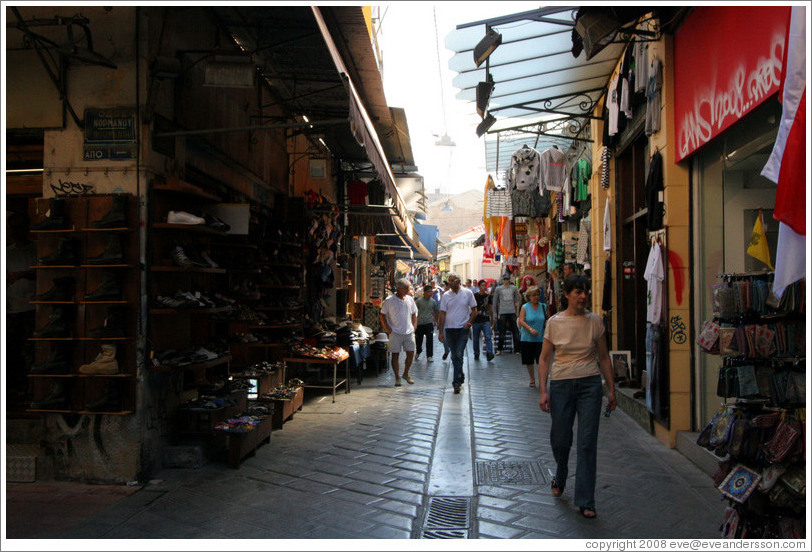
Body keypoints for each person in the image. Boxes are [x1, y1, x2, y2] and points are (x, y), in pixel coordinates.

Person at [537, 275, 616, 519]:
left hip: (590, 385)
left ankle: (586, 500)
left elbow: (603, 357)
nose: (582, 296)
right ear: (567, 295)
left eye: (585, 292)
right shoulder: (554, 322)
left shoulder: (595, 322)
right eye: (577, 292)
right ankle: (561, 473)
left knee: (587, 442)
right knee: (561, 439)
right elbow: (545, 358)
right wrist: (543, 390)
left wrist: (611, 389)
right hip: (561, 385)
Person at [6, 212, 37, 397]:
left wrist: (23, 274)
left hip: (33, 308)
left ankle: (32, 390)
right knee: (13, 351)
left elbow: (45, 274)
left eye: (18, 227)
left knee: (31, 351)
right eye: (12, 227)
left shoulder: (37, 249)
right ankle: (17, 390)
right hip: (12, 309)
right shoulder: (7, 252)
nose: (15, 231)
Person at [437, 273, 477, 394]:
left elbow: (475, 310)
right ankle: (460, 374)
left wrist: (469, 324)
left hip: (462, 330)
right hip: (450, 330)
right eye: (448, 280)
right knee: (455, 355)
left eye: (452, 280)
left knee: (458, 354)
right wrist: (440, 331)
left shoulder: (468, 293)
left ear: (458, 281)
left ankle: (456, 383)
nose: (449, 283)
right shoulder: (446, 296)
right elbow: (442, 313)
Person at [380, 278, 418, 386]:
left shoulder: (410, 299)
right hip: (395, 332)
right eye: (406, 288)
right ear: (399, 289)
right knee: (395, 354)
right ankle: (397, 377)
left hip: (408, 331)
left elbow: (414, 313)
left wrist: (414, 326)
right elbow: (382, 315)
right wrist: (388, 329)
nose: (408, 290)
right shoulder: (389, 300)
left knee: (410, 353)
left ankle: (406, 373)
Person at [517, 285, 546, 387]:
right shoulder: (525, 307)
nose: (536, 297)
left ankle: (541, 380)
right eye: (534, 295)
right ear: (529, 297)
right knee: (529, 361)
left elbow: (547, 320)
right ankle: (532, 378)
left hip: (540, 338)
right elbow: (521, 321)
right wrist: (530, 329)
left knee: (541, 360)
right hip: (527, 338)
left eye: (538, 295)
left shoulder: (543, 306)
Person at [493, 274, 521, 355]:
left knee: (515, 331)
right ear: (503, 279)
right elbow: (495, 301)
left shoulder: (514, 288)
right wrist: (495, 313)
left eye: (507, 279)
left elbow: (517, 300)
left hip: (512, 311)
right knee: (502, 331)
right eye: (504, 279)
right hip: (503, 312)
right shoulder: (498, 289)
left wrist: (517, 312)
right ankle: (500, 349)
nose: (506, 280)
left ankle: (517, 349)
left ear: (509, 279)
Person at [471, 279, 495, 362]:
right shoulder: (474, 296)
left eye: (485, 285)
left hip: (485, 319)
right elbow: (471, 308)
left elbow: (490, 308)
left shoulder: (488, 297)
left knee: (488, 337)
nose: (484, 287)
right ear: (479, 286)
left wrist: (492, 318)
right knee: (476, 338)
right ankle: (476, 353)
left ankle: (490, 353)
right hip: (476, 320)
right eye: (482, 285)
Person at [414, 284, 439, 361]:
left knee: (430, 340)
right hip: (420, 323)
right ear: (424, 292)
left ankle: (429, 356)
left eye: (431, 291)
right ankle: (418, 351)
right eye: (428, 291)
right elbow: (414, 313)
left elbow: (435, 311)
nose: (430, 293)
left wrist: (436, 321)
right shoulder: (419, 301)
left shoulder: (433, 301)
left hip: (429, 323)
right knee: (418, 340)